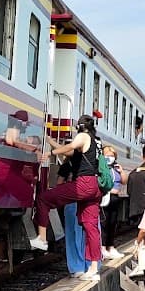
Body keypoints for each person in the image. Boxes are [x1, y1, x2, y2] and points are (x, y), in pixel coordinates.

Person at [29, 114, 103, 280]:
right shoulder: (96, 142)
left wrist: (50, 153)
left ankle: (42, 238)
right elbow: (71, 150)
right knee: (91, 227)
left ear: (81, 126)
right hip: (94, 187)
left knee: (44, 199)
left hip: (82, 184)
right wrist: (49, 141)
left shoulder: (83, 136)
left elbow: (71, 146)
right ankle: (93, 269)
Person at [99, 144, 125, 261]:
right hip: (105, 197)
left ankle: (111, 246)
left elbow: (124, 181)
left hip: (115, 197)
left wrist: (122, 171)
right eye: (107, 155)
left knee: (112, 223)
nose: (109, 157)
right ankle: (103, 247)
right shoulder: (102, 168)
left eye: (112, 155)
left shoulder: (116, 168)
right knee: (104, 223)